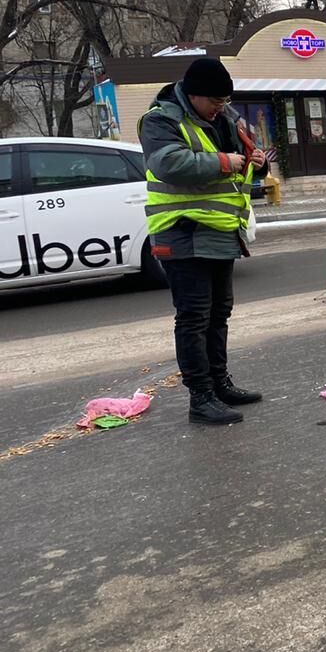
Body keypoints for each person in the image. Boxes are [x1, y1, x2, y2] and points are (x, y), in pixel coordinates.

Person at [138, 57, 267, 426]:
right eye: (214, 101)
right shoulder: (161, 120)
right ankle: (201, 397)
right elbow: (170, 165)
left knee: (218, 313)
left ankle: (220, 383)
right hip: (181, 230)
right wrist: (227, 162)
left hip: (221, 231)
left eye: (225, 101)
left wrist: (256, 162)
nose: (220, 108)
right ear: (193, 95)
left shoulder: (225, 118)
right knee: (193, 317)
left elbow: (245, 158)